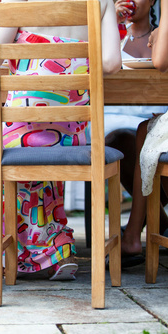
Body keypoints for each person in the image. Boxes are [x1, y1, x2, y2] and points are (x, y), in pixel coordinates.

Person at [0, 0, 121, 279]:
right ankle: (48, 248)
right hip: (73, 136)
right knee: (26, 137)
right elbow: (111, 63)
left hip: (20, 132)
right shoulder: (101, 1)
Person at [104, 0, 167, 267]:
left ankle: (133, 233)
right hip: (118, 120)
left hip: (154, 118)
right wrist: (109, 24)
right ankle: (154, 225)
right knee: (123, 137)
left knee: (145, 132)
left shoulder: (160, 33)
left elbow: (160, 62)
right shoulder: (111, 36)